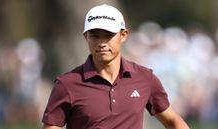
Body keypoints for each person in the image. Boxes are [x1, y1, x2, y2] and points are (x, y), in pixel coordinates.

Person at [41, 4, 190, 129]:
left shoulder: (145, 78)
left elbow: (173, 121)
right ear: (86, 37)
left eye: (108, 35)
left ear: (123, 35)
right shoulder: (67, 84)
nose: (101, 43)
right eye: (95, 35)